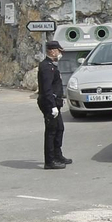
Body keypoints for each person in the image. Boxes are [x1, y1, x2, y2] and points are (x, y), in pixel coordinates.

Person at [37, 40, 72, 169]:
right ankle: (50, 161)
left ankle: (58, 155)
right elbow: (47, 89)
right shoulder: (46, 66)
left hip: (54, 102)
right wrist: (52, 106)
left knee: (59, 129)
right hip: (49, 103)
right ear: (52, 51)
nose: (59, 53)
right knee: (51, 131)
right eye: (58, 51)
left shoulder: (51, 65)